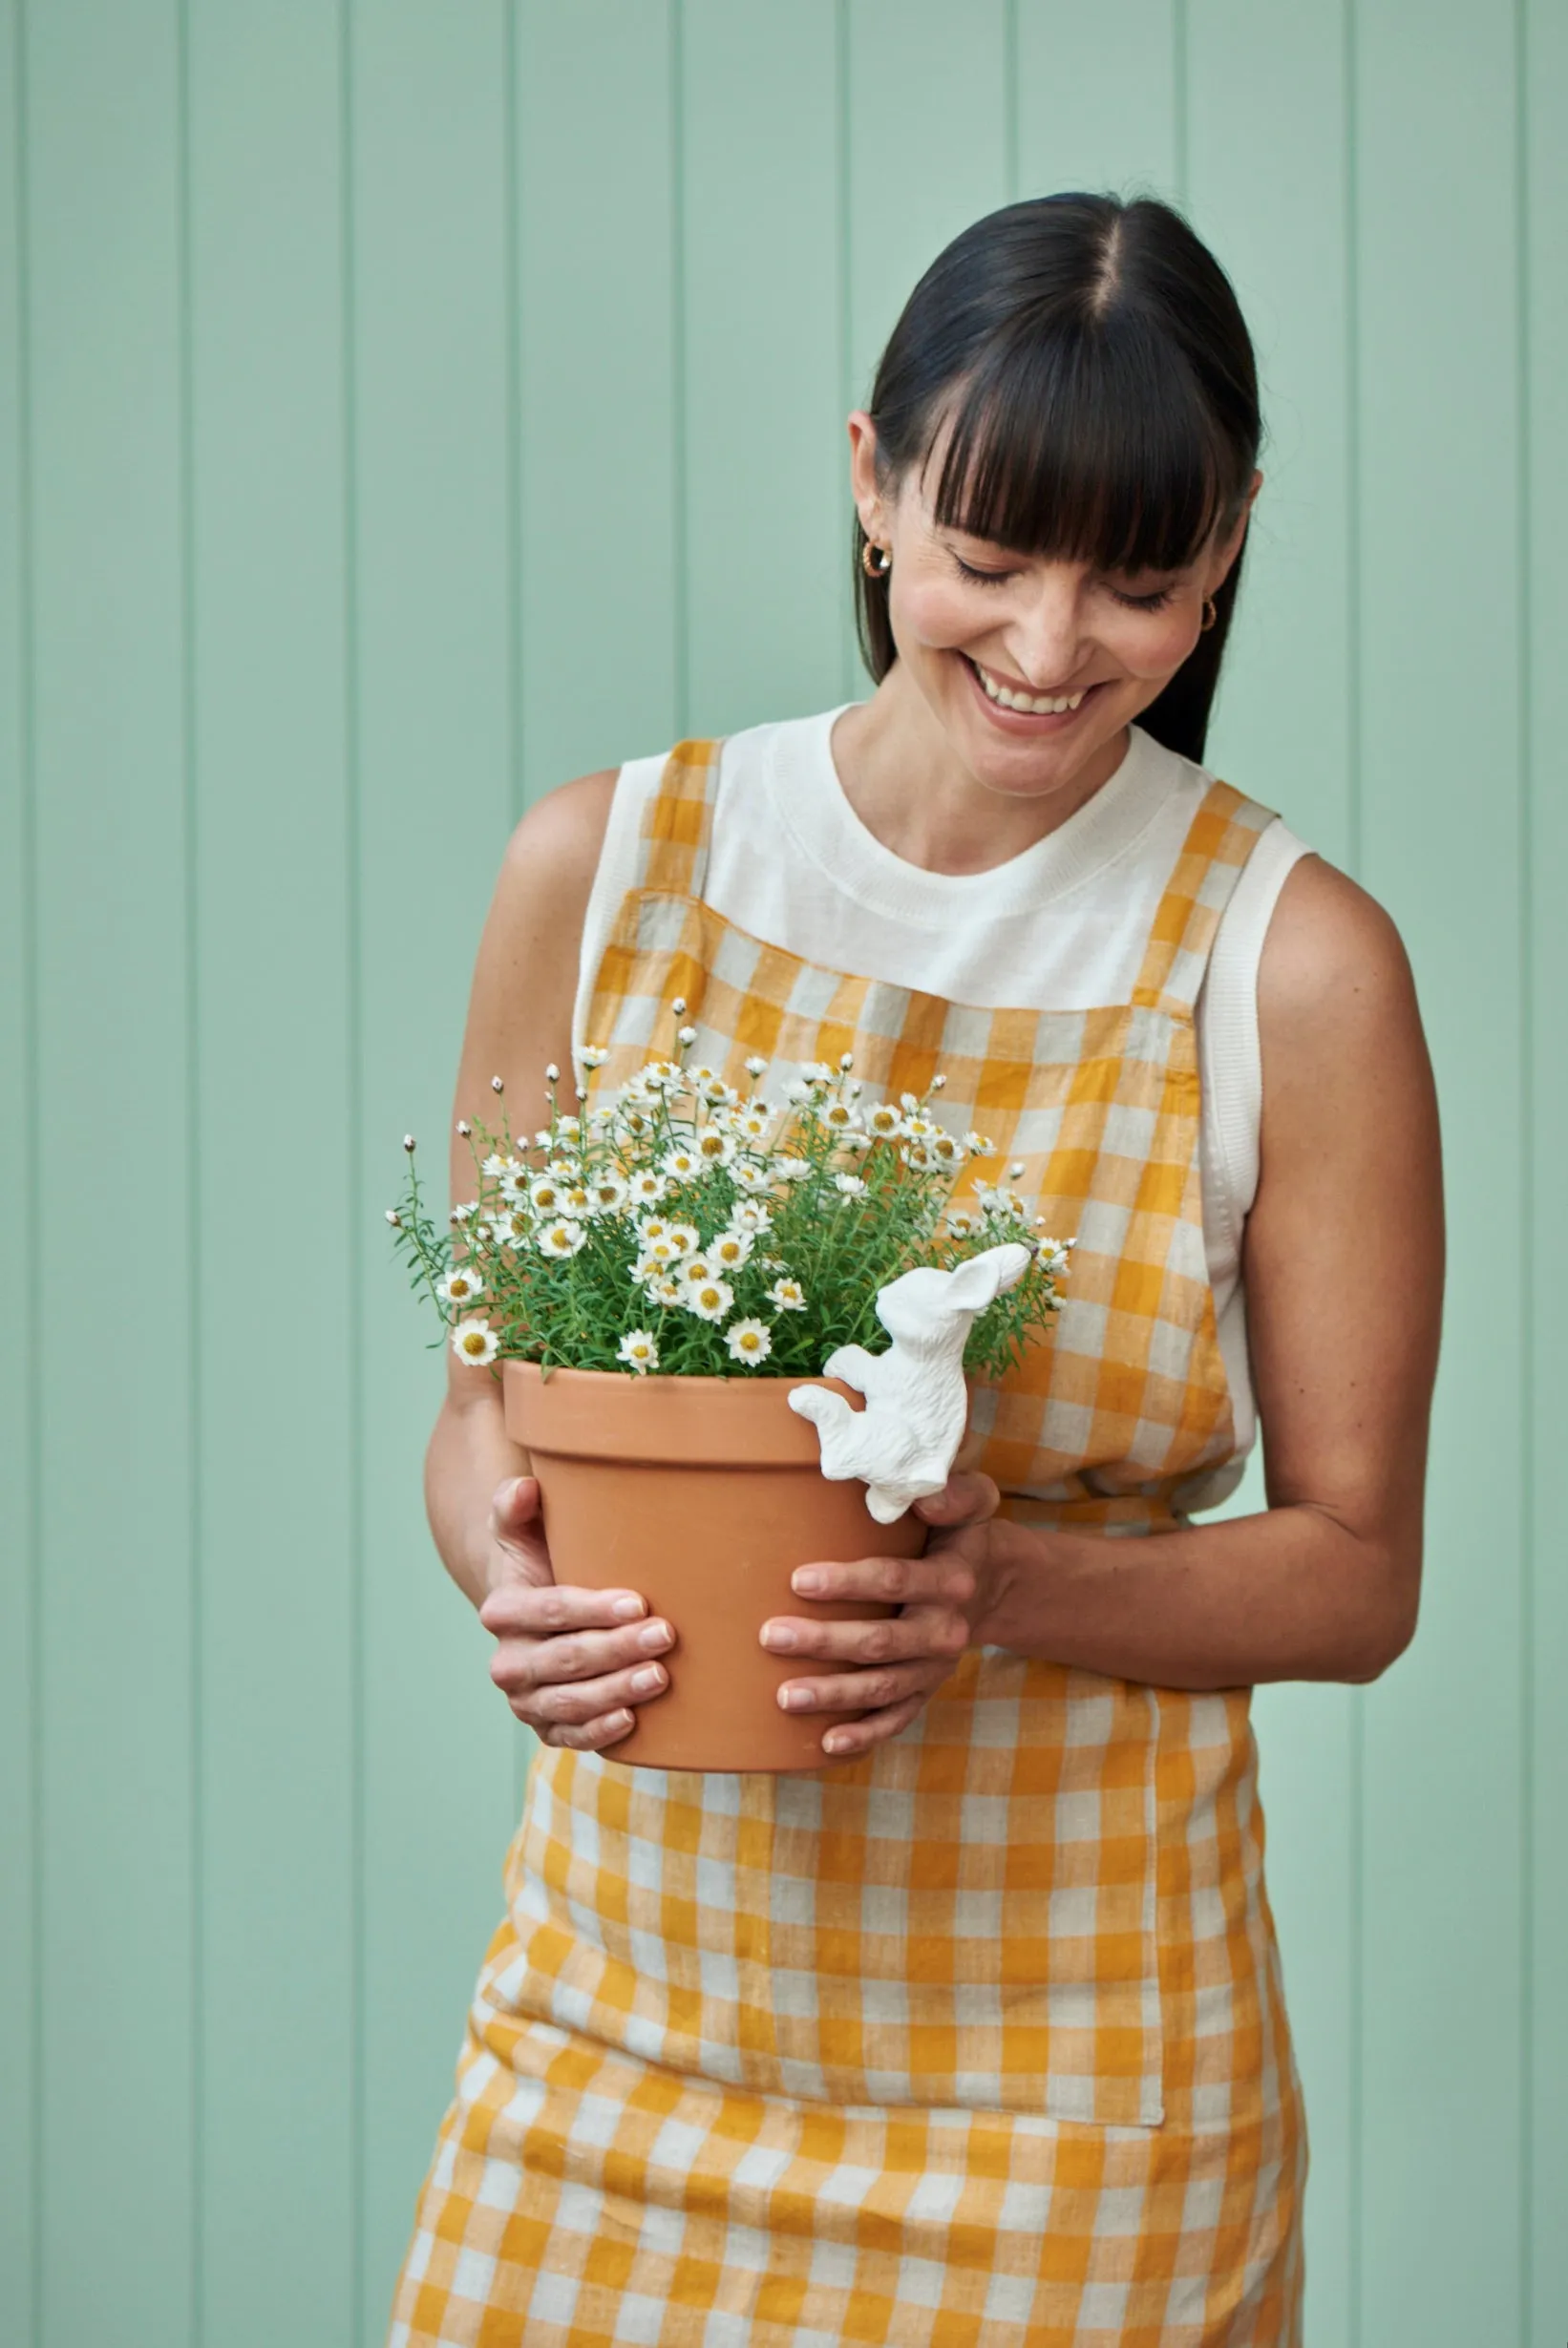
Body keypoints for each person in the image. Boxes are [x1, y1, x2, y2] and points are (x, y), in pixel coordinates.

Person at [388, 193, 1442, 2346]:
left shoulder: (1289, 962)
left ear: (1225, 544)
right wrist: (515, 1581)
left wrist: (995, 1587)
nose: (1051, 645)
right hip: (624, 2023)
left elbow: (1352, 1569)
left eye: (1135, 580)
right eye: (985, 554)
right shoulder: (601, 871)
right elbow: (487, 1418)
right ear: (871, 480)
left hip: (1076, 2087)